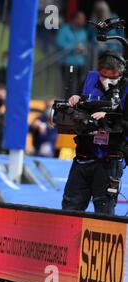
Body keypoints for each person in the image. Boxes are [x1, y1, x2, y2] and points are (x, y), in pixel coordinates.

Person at [62, 51, 128, 215]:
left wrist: (110, 116)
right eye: (103, 75)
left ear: (120, 73)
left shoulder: (126, 87)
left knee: (103, 210)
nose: (106, 80)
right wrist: (76, 98)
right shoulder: (91, 77)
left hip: (109, 159)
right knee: (71, 206)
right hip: (84, 155)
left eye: (112, 77)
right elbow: (79, 98)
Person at [56, 11, 89, 97]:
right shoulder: (65, 29)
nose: (83, 21)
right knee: (69, 84)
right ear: (75, 19)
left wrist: (84, 49)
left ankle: (76, 101)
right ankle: (67, 101)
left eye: (83, 19)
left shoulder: (83, 31)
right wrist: (73, 47)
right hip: (69, 64)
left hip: (80, 64)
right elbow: (60, 43)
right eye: (81, 19)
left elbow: (85, 44)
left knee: (79, 84)